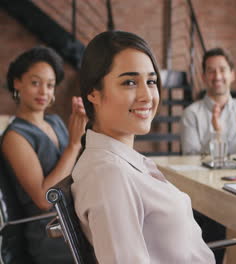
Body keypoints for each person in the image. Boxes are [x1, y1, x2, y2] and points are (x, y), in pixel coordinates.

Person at [71, 30, 215, 263]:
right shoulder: (109, 175)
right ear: (93, 94)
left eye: (151, 81)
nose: (147, 95)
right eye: (129, 82)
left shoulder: (121, 160)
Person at [1, 46, 87, 263]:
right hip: (49, 232)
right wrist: (74, 145)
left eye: (49, 85)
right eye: (35, 83)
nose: (44, 92)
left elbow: (75, 172)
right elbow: (43, 198)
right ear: (17, 83)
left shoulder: (55, 122)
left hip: (75, 217)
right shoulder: (15, 137)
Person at [181, 47, 236, 155]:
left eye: (222, 70)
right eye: (211, 71)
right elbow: (189, 158)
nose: (217, 76)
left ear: (232, 75)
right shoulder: (191, 114)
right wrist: (216, 135)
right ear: (203, 77)